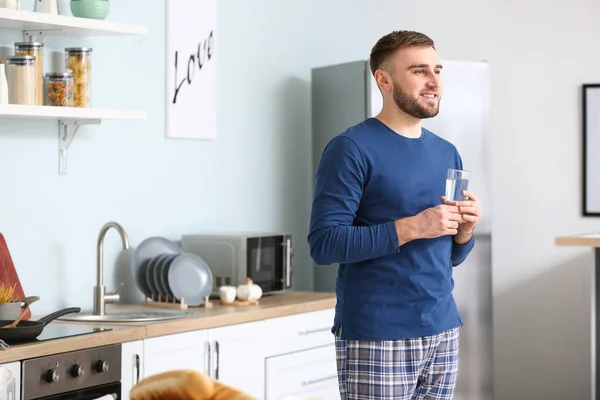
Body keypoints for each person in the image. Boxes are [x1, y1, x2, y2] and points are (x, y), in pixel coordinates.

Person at [307, 30, 483, 400]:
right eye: (419, 71)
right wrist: (414, 226)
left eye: (437, 69)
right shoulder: (350, 148)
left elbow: (448, 254)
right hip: (378, 333)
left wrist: (464, 231)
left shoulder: (447, 152)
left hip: (443, 329)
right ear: (383, 80)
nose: (434, 81)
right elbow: (324, 243)